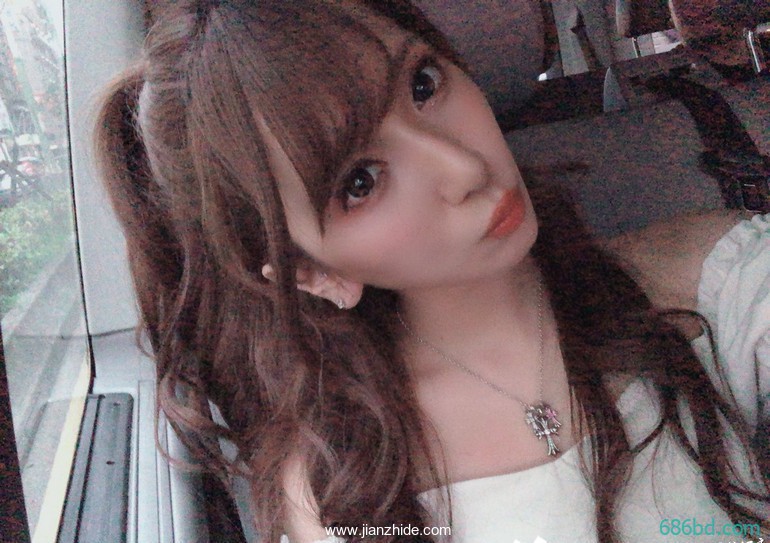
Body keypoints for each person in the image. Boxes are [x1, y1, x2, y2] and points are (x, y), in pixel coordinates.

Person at [94, 1, 770, 541]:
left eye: (424, 84)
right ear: (311, 272)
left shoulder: (712, 277)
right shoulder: (344, 491)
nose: (465, 166)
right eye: (360, 182)